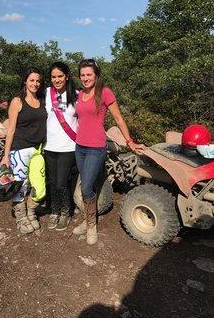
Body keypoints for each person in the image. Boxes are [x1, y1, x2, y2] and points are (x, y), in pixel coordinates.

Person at [73, 59, 145, 245]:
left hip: (96, 147)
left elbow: (119, 119)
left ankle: (91, 225)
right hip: (79, 147)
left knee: (87, 186)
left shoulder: (104, 92)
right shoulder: (80, 94)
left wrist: (129, 141)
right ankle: (87, 219)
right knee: (86, 184)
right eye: (82, 75)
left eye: (89, 74)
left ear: (96, 75)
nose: (85, 78)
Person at [0, 67, 47, 234]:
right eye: (32, 80)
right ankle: (21, 217)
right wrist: (6, 156)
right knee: (21, 185)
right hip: (19, 150)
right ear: (25, 81)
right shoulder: (17, 101)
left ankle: (32, 211)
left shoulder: (42, 100)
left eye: (38, 80)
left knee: (40, 186)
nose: (35, 83)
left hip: (37, 150)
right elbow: (11, 129)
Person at [45, 62, 78, 231]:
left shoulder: (77, 95)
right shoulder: (46, 94)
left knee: (61, 182)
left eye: (60, 76)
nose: (57, 80)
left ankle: (65, 212)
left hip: (68, 147)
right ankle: (54, 211)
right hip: (49, 146)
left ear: (67, 76)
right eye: (53, 77)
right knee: (51, 181)